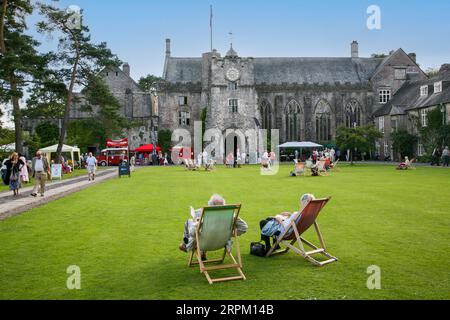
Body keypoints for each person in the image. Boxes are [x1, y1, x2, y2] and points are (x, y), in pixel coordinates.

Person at [179, 194, 248, 259]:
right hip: (222, 242)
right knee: (203, 230)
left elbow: (193, 234)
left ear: (210, 205)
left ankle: (187, 244)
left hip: (204, 243)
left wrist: (196, 223)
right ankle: (201, 252)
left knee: (189, 223)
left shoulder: (205, 218)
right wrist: (229, 233)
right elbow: (244, 227)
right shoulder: (231, 216)